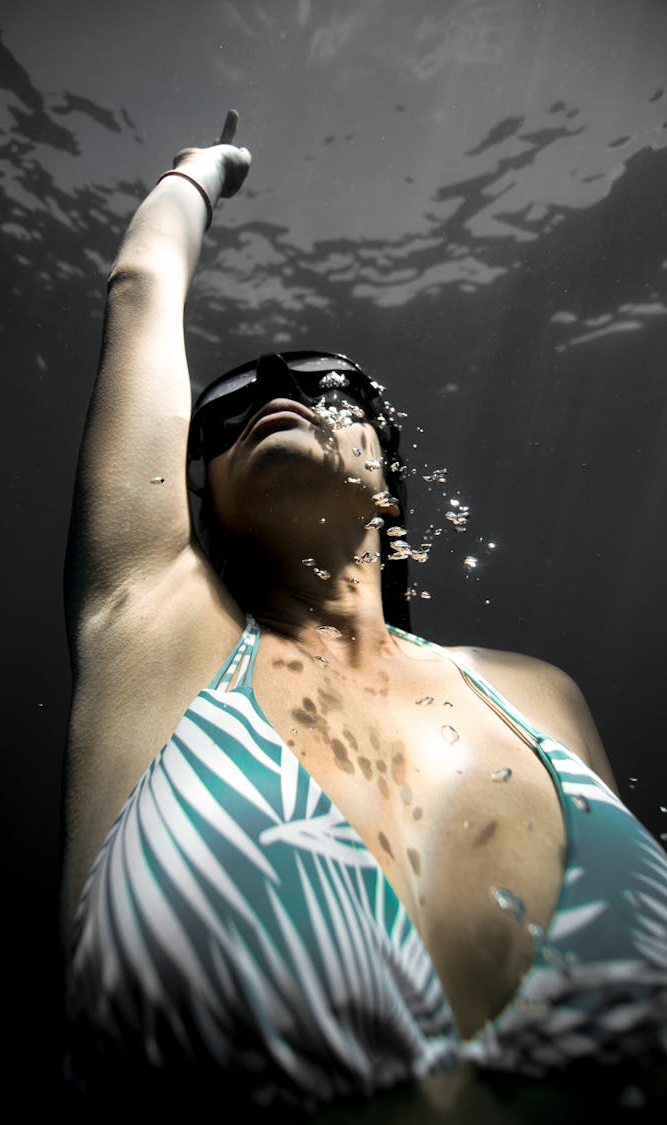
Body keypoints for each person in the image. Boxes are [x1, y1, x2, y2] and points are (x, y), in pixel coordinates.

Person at [60, 111, 667, 1118]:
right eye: (230, 408)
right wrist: (200, 174)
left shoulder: (538, 695)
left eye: (329, 389)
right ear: (196, 485)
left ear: (390, 481)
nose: (280, 399)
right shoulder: (153, 639)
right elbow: (141, 290)